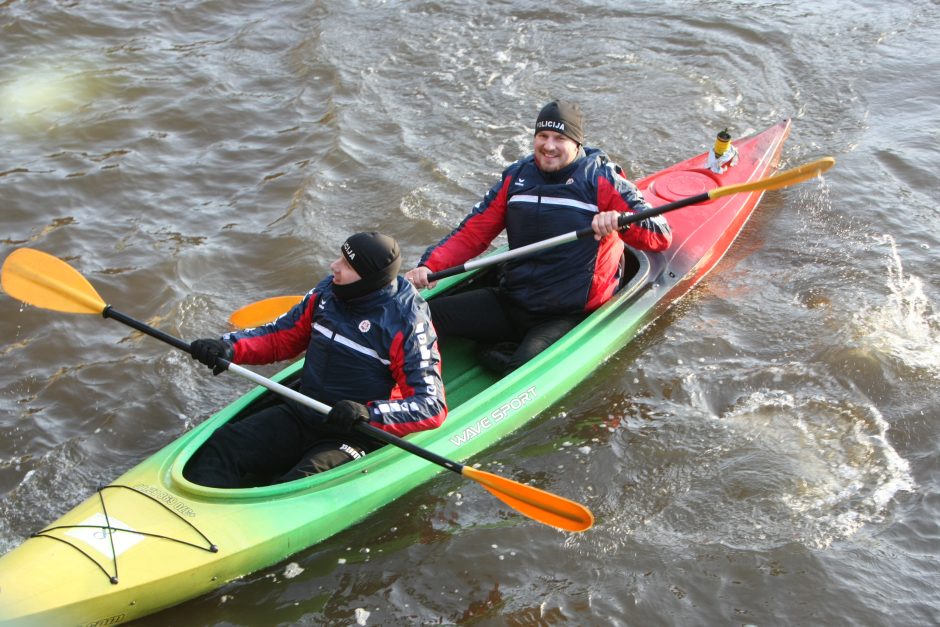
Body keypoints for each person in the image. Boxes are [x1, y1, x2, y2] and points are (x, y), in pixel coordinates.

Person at [404, 100, 672, 375]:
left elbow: (661, 235)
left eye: (560, 138)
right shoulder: (517, 177)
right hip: (513, 300)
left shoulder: (601, 179)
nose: (549, 145)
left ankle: (497, 353)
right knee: (419, 318)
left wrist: (621, 222)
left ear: (577, 143)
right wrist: (430, 266)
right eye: (542, 136)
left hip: (566, 314)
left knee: (518, 372)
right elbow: (473, 232)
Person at [185, 232, 447, 489]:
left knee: (297, 486)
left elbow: (431, 405)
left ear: (368, 278)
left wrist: (369, 414)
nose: (334, 266)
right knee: (224, 445)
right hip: (304, 409)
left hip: (355, 432)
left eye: (346, 264)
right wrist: (228, 347)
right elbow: (281, 336)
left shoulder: (407, 322)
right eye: (339, 258)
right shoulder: (328, 292)